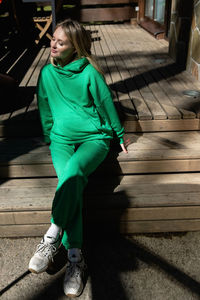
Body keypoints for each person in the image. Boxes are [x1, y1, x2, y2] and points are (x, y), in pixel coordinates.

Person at [28, 18, 128, 298]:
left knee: (72, 175)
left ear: (76, 47)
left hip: (93, 138)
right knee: (71, 183)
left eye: (61, 42)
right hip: (61, 139)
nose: (53, 44)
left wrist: (119, 134)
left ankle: (52, 235)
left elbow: (105, 102)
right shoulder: (47, 73)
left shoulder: (88, 73)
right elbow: (45, 107)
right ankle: (76, 259)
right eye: (53, 39)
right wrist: (50, 136)